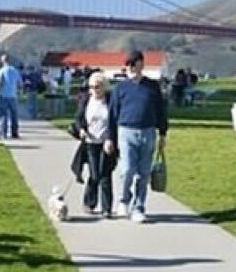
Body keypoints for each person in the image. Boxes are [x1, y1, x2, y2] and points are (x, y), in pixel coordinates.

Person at [111, 51, 168, 223]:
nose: (131, 68)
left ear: (141, 64)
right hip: (126, 131)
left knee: (144, 173)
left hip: (148, 131)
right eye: (128, 64)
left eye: (134, 64)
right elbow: (113, 114)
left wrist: (163, 133)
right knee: (127, 169)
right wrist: (109, 137)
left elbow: (161, 111)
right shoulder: (120, 88)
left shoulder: (152, 87)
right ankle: (124, 199)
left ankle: (139, 207)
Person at [72, 71, 117, 216]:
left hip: (106, 142)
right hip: (90, 142)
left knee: (106, 174)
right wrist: (81, 130)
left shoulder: (111, 101)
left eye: (97, 87)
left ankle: (106, 208)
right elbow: (78, 119)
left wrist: (110, 139)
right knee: (95, 174)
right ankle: (89, 203)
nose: (94, 90)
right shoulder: (86, 100)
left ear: (104, 87)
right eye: (91, 87)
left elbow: (115, 121)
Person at [0, 53, 23, 139]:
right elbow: (20, 84)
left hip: (4, 95)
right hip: (13, 95)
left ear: (2, 61)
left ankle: (4, 134)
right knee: (14, 115)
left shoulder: (1, 70)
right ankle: (14, 133)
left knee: (4, 115)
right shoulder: (15, 70)